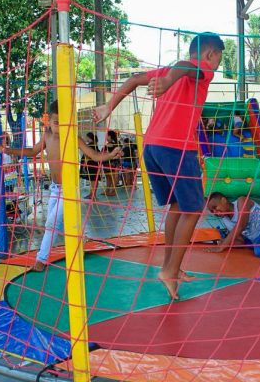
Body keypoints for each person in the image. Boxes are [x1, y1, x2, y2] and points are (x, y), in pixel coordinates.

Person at [92, 32, 224, 299]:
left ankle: (169, 267)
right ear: (210, 54)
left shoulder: (168, 70)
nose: (218, 64)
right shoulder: (201, 70)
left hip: (152, 148)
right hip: (176, 147)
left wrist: (109, 106)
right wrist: (168, 80)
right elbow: (186, 67)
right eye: (219, 58)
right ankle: (171, 271)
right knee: (193, 208)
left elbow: (133, 80)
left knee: (178, 207)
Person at [0, 100, 122, 271]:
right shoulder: (47, 136)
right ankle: (80, 239)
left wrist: (111, 154)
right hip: (55, 188)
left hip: (70, 189)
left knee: (52, 223)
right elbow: (33, 151)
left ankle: (41, 260)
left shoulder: (72, 138)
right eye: (56, 123)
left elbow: (93, 155)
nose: (59, 127)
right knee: (59, 223)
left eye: (63, 123)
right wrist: (8, 150)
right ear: (49, 121)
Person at [79, 132, 101, 200]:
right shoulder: (94, 145)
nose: (85, 138)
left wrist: (84, 166)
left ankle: (93, 195)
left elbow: (87, 157)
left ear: (89, 137)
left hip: (91, 165)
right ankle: (92, 194)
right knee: (93, 180)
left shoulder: (90, 146)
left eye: (86, 137)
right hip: (94, 164)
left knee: (93, 180)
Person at [102, 130, 121, 196]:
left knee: (112, 177)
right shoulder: (111, 144)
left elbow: (119, 154)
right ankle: (107, 190)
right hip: (107, 162)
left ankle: (113, 191)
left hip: (112, 163)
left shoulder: (114, 143)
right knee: (108, 177)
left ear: (110, 136)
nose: (105, 137)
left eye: (106, 135)